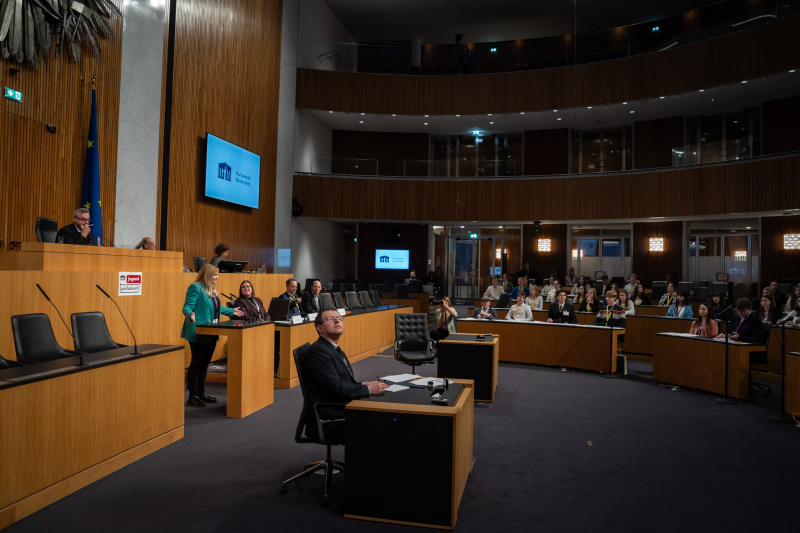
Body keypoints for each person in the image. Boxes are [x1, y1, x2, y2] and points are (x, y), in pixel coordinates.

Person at [301, 308, 387, 441]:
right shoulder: (318, 352)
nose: (337, 321)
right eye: (330, 319)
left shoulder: (333, 349)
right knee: (381, 419)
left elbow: (339, 382)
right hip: (331, 415)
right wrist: (368, 389)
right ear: (320, 328)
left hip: (338, 405)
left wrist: (364, 384)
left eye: (339, 318)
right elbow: (336, 388)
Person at [181, 264, 244, 407]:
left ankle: (201, 392)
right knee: (197, 363)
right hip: (199, 330)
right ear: (208, 275)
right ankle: (192, 395)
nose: (217, 277)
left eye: (218, 275)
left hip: (211, 331)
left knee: (205, 364)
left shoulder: (211, 290)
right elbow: (187, 306)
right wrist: (189, 314)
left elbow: (217, 307)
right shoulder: (195, 287)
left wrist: (231, 311)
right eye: (215, 275)